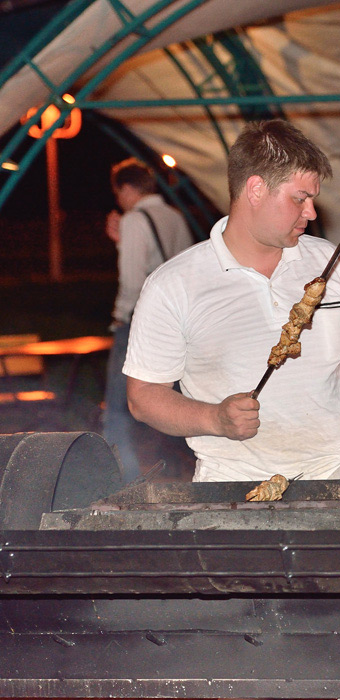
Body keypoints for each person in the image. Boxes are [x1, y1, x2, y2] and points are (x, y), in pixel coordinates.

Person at [123, 119, 340, 482]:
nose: (311, 212)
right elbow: (142, 397)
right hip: (234, 479)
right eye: (300, 198)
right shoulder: (173, 284)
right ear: (255, 190)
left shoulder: (329, 262)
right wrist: (214, 419)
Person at [103, 158, 194, 482]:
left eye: (119, 194)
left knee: (118, 407)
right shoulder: (175, 216)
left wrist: (119, 317)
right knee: (175, 402)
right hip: (176, 323)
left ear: (127, 189)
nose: (119, 201)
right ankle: (183, 469)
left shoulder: (134, 219)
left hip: (139, 324)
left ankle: (121, 480)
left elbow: (131, 281)